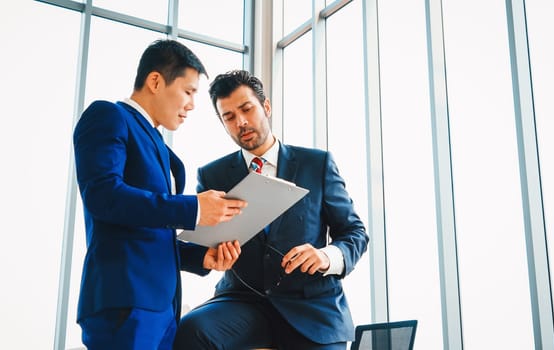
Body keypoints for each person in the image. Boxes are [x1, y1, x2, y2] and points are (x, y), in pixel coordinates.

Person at [173, 70, 369, 350]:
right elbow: (199, 242)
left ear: (266, 107)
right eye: (229, 117)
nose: (240, 122)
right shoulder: (212, 175)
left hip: (311, 306)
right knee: (190, 331)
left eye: (246, 109)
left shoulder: (317, 164)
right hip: (242, 301)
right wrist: (210, 256)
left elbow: (354, 233)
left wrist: (326, 256)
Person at [72, 39, 246, 350]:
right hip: (125, 303)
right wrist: (193, 209)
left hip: (163, 309)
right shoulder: (108, 116)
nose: (192, 104)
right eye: (189, 91)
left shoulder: (162, 148)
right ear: (155, 81)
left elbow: (150, 231)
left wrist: (200, 256)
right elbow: (103, 196)